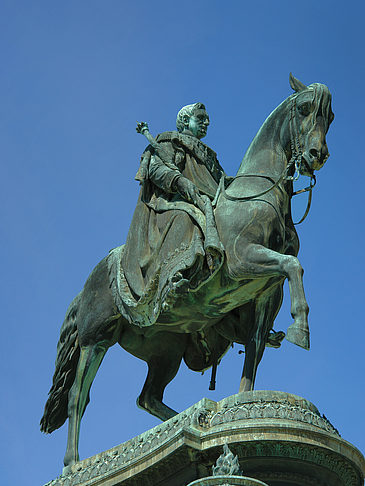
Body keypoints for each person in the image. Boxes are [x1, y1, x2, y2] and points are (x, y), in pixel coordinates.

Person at [108, 103, 227, 328]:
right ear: (184, 122)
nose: (206, 122)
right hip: (171, 202)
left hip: (207, 203)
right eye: (200, 117)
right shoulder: (169, 142)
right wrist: (179, 182)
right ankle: (173, 278)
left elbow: (221, 183)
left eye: (207, 119)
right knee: (186, 218)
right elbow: (155, 169)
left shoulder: (210, 157)